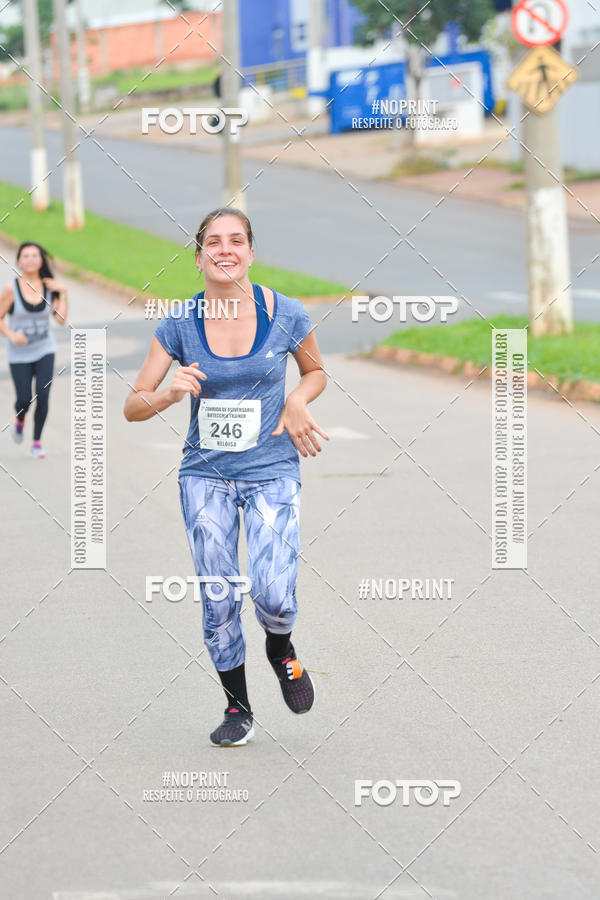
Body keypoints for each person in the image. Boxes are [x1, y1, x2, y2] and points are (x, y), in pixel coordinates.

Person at [124, 207, 328, 746]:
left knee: (274, 595)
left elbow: (315, 371)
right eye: (213, 242)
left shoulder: (286, 313)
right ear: (199, 258)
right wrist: (169, 393)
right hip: (205, 476)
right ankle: (238, 707)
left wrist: (298, 399)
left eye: (236, 240)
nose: (225, 250)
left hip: (271, 470)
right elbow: (133, 406)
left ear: (251, 253)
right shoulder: (179, 324)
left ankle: (280, 648)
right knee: (219, 598)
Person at [0, 242, 68, 458]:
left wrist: (63, 293)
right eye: (25, 255)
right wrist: (12, 335)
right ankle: (20, 418)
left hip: (44, 349)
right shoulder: (11, 289)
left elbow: (60, 320)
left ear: (41, 260)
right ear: (19, 261)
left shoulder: (50, 287)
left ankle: (36, 442)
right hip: (19, 353)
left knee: (43, 394)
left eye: (34, 255)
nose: (30, 259)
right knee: (24, 399)